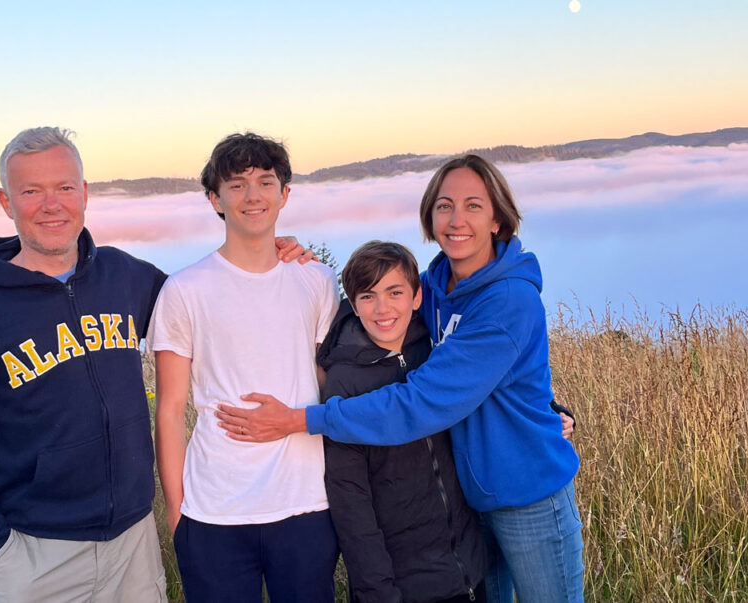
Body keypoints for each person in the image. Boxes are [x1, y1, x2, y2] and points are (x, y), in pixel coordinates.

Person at [0, 127, 310, 602]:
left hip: (134, 546)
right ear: (6, 201)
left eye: (65, 188)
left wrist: (271, 249)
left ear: (84, 194)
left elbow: (212, 306)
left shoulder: (125, 276)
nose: (52, 204)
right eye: (31, 191)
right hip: (34, 556)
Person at [217, 154, 585, 602]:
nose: (456, 220)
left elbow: (420, 403)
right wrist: (290, 257)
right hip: (474, 505)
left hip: (527, 497)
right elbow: (377, 300)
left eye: (473, 205)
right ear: (430, 214)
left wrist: (302, 420)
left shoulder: (508, 301)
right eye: (444, 205)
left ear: (497, 220)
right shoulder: (437, 285)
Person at [148, 132, 340, 602]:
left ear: (284, 194)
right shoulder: (184, 289)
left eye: (265, 182)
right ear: (215, 198)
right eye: (236, 185)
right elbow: (170, 409)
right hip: (214, 510)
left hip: (306, 504)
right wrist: (178, 514)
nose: (252, 196)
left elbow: (330, 382)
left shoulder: (315, 279)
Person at [321, 241, 486, 602]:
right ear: (353, 302)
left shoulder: (435, 350)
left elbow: (487, 391)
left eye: (395, 292)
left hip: (472, 570)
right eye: (368, 296)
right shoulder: (343, 383)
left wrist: (552, 410)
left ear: (416, 296)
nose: (382, 308)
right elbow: (352, 504)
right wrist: (379, 593)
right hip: (406, 586)